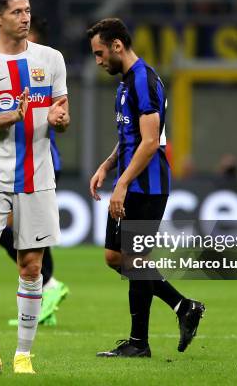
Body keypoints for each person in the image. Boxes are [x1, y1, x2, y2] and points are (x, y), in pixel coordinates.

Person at [0, 0, 69, 374]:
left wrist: (61, 120)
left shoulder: (52, 59)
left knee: (31, 268)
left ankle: (23, 354)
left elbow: (62, 112)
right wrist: (11, 116)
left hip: (37, 176)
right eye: (17, 12)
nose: (25, 17)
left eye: (27, 11)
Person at [87, 18, 205, 358]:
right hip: (132, 183)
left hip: (147, 187)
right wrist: (107, 166)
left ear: (117, 46)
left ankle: (140, 342)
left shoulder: (145, 81)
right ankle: (183, 307)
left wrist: (121, 184)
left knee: (134, 259)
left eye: (99, 53)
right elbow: (131, 138)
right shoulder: (126, 84)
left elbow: (151, 141)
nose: (98, 61)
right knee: (118, 258)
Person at [0, 15, 69, 328]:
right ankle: (46, 295)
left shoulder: (47, 71)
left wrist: (60, 119)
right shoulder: (5, 71)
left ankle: (48, 286)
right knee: (19, 231)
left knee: (14, 230)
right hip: (13, 161)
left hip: (38, 159)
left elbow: (62, 114)